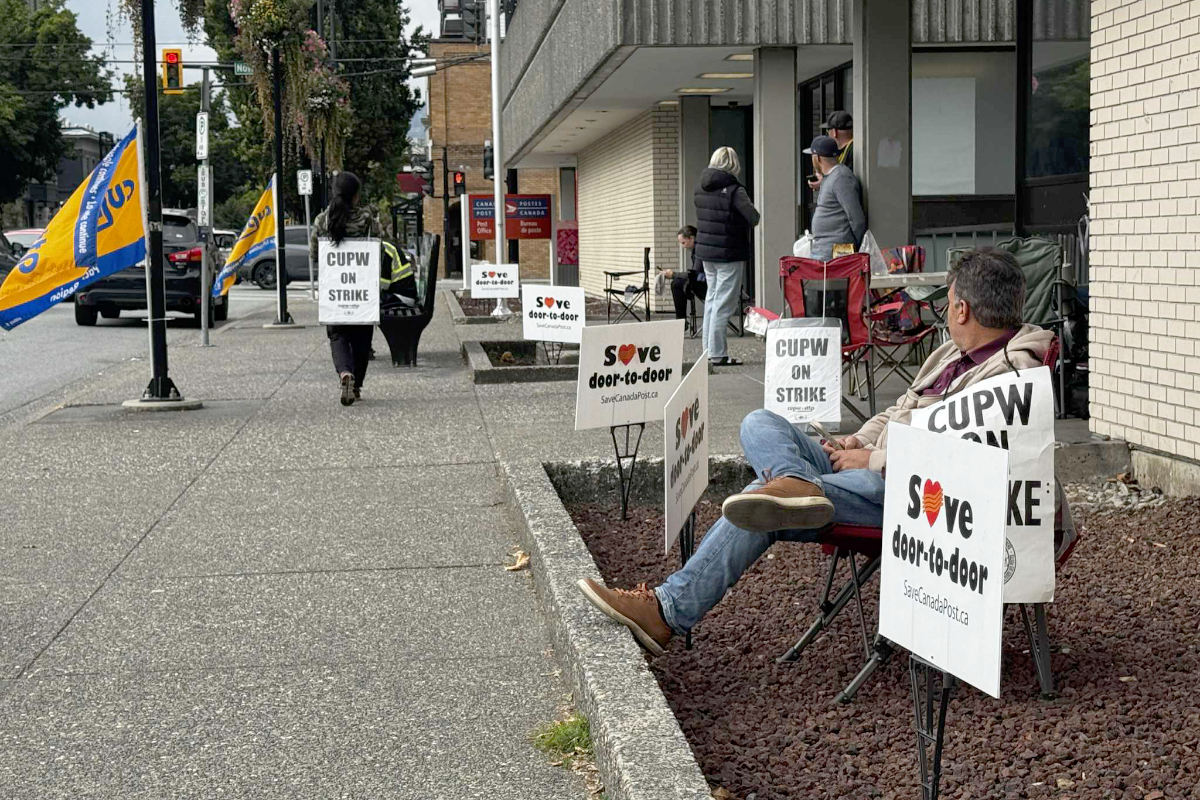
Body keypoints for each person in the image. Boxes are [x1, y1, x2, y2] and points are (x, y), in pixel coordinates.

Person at [576, 248, 1057, 656]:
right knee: (759, 422)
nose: (946, 313)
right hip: (868, 467)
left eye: (948, 304)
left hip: (917, 500)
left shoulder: (1011, 375)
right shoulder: (951, 354)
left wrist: (872, 461)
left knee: (761, 501)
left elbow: (965, 465)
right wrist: (858, 440)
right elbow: (901, 410)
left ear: (962, 309)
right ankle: (794, 483)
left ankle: (668, 609)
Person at [311, 171, 383, 406]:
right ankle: (357, 385)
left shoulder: (323, 221)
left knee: (337, 334)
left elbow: (315, 254)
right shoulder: (369, 221)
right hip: (363, 287)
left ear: (334, 192)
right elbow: (380, 250)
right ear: (356, 195)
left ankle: (345, 372)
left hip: (335, 287)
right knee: (362, 337)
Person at [694, 147, 760, 367]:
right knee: (723, 304)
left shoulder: (700, 187)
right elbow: (753, 217)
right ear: (733, 164)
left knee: (712, 300)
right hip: (729, 251)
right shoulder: (734, 189)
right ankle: (717, 353)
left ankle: (708, 350)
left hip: (706, 252)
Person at [804, 135, 866, 262]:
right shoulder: (832, 177)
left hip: (835, 251)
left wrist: (854, 246)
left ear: (817, 158)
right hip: (824, 249)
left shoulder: (841, 178)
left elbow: (857, 219)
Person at [657, 225, 707, 335]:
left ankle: (681, 322)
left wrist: (674, 274)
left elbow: (695, 275)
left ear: (692, 238)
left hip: (708, 285)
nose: (683, 246)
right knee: (678, 283)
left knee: (677, 283)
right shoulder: (698, 249)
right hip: (706, 281)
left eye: (683, 243)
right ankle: (681, 321)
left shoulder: (699, 251)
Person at [806, 111, 854, 195]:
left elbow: (844, 182)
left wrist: (823, 182)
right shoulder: (850, 148)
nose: (827, 134)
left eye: (828, 130)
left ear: (834, 132)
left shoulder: (851, 151)